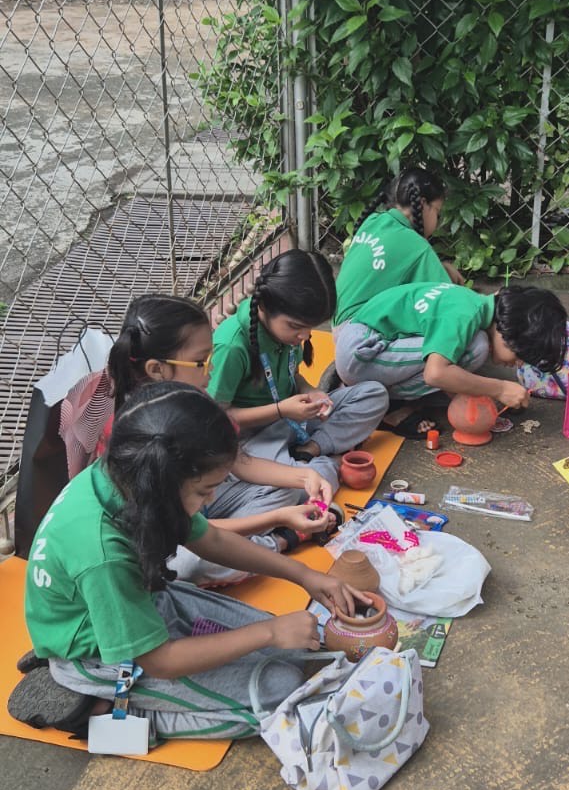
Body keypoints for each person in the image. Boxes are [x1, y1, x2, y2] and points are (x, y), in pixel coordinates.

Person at [10, 385, 361, 744]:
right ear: (163, 485)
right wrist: (270, 632)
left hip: (137, 604)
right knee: (282, 693)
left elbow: (211, 539)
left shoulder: (133, 474)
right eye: (204, 490)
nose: (211, 499)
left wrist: (305, 575)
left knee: (293, 651)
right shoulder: (104, 554)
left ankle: (101, 678)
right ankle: (111, 716)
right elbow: (159, 660)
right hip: (97, 652)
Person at [95, 294, 339, 586]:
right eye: (202, 361)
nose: (211, 368)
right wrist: (281, 519)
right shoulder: (146, 440)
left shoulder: (197, 403)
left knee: (295, 487)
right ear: (156, 369)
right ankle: (280, 541)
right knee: (190, 566)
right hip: (171, 542)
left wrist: (304, 476)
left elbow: (240, 463)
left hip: (201, 514)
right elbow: (196, 534)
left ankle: (274, 530)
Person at [208, 250, 389, 472]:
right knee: (296, 486)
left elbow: (292, 374)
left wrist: (311, 390)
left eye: (310, 327)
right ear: (264, 306)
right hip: (254, 437)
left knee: (374, 394)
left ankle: (310, 450)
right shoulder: (231, 347)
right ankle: (316, 465)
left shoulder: (286, 330)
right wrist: (280, 410)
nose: (304, 336)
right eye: (296, 326)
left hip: (292, 417)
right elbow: (215, 417)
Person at [333, 280, 569, 415]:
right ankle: (382, 401)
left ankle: (366, 396)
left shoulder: (469, 303)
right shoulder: (464, 314)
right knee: (474, 349)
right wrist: (499, 389)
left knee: (465, 354)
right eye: (521, 355)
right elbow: (435, 373)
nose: (518, 363)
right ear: (508, 332)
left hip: (363, 345)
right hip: (360, 352)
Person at [334, 168, 463, 329]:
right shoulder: (416, 245)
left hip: (339, 326)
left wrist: (439, 267)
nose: (438, 221)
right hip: (360, 333)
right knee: (468, 341)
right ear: (423, 204)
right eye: (437, 212)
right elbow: (452, 302)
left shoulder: (372, 221)